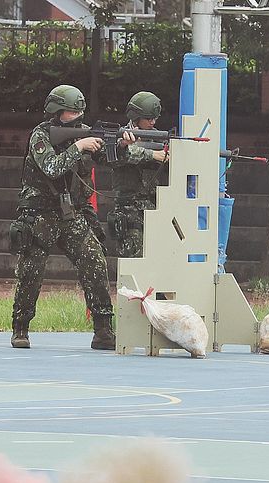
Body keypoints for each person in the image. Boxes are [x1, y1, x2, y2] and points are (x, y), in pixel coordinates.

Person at [9, 84, 139, 351]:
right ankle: (20, 327)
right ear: (56, 111)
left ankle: (103, 330)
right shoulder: (41, 136)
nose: (77, 116)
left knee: (95, 261)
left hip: (71, 214)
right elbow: (52, 168)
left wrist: (122, 144)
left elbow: (109, 160)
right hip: (39, 215)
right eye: (71, 112)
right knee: (31, 273)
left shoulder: (83, 134)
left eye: (80, 111)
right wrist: (78, 147)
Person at [107, 91, 170, 258]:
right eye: (148, 118)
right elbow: (121, 155)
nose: (153, 122)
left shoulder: (157, 138)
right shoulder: (120, 136)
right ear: (136, 116)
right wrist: (152, 155)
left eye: (154, 118)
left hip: (154, 206)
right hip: (129, 210)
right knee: (132, 261)